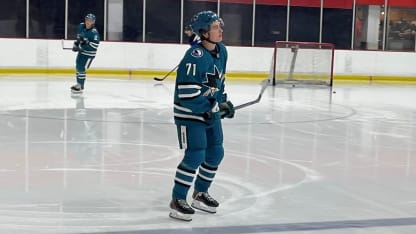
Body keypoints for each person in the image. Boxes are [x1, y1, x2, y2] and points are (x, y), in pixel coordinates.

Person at [169, 11, 235, 221]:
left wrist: (222, 102)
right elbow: (186, 92)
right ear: (204, 32)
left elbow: (218, 82)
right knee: (196, 154)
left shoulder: (222, 51)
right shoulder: (194, 56)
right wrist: (204, 108)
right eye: (215, 27)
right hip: (189, 113)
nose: (220, 30)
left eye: (220, 26)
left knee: (216, 152)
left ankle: (200, 193)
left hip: (209, 111)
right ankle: (177, 199)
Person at [71, 13, 100, 94]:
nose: (88, 22)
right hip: (82, 52)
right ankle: (78, 84)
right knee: (77, 66)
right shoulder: (81, 26)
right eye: (87, 19)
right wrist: (75, 45)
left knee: (81, 68)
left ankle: (80, 85)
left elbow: (94, 46)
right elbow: (78, 39)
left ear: (93, 22)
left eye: (90, 20)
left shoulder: (94, 33)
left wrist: (86, 42)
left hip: (89, 54)